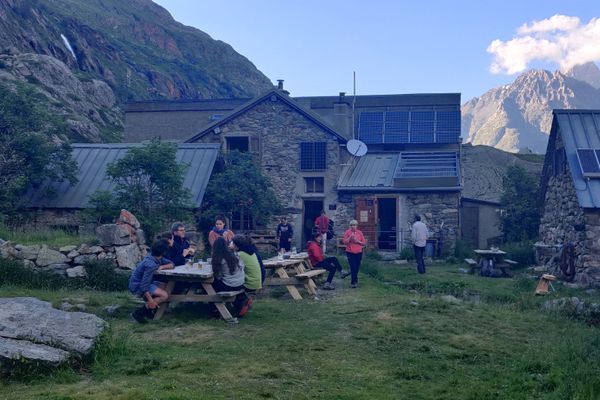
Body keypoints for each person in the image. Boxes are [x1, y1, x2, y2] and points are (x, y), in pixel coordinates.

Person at [128, 239, 174, 323]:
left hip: (147, 283)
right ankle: (140, 312)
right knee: (164, 295)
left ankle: (151, 311)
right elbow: (144, 285)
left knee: (166, 286)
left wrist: (162, 267)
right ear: (163, 252)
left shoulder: (156, 258)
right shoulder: (150, 264)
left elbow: (171, 264)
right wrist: (151, 301)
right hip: (137, 285)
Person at [210, 237, 249, 316]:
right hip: (241, 283)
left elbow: (218, 275)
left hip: (230, 285)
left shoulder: (219, 259)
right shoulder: (234, 254)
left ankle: (214, 308)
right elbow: (242, 266)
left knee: (211, 283)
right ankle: (240, 302)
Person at [342, 220, 366, 288]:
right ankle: (353, 282)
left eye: (354, 225)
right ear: (350, 226)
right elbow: (344, 242)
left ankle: (355, 281)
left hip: (358, 252)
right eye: (352, 225)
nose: (353, 226)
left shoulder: (360, 232)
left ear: (357, 226)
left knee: (357, 267)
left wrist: (357, 241)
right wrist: (350, 237)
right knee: (353, 267)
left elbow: (363, 243)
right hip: (350, 252)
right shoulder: (347, 232)